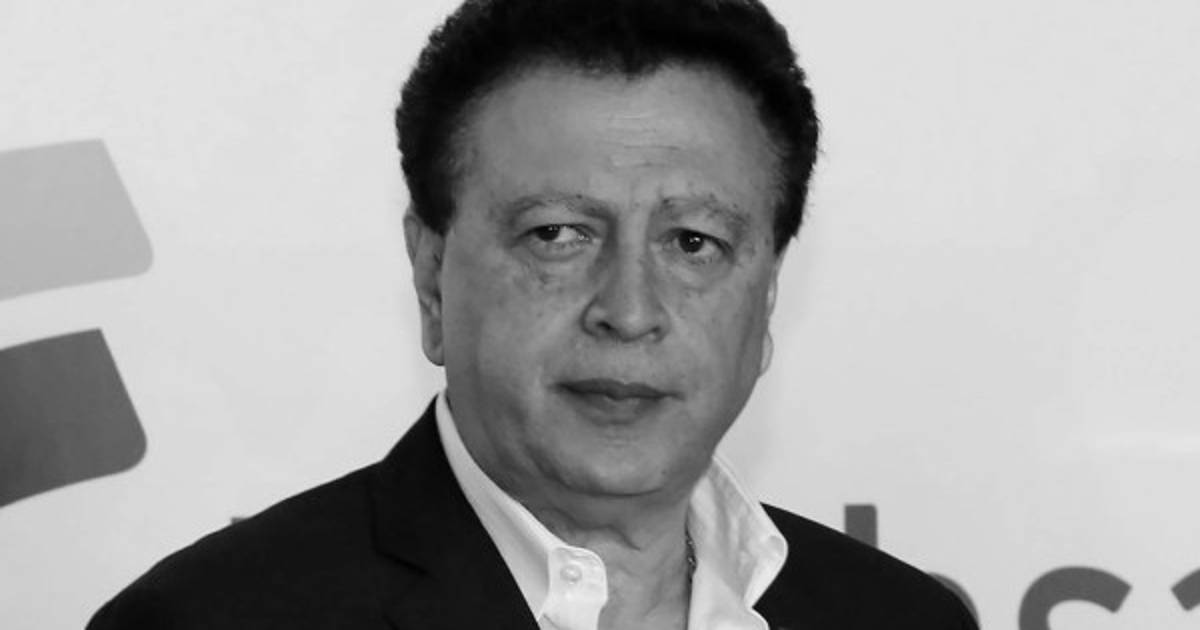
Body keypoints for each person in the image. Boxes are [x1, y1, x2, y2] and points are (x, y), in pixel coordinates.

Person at [88, 0, 978, 628]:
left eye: (694, 242)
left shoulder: (900, 617)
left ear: (768, 294)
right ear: (431, 277)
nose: (629, 311)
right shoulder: (208, 620)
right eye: (557, 235)